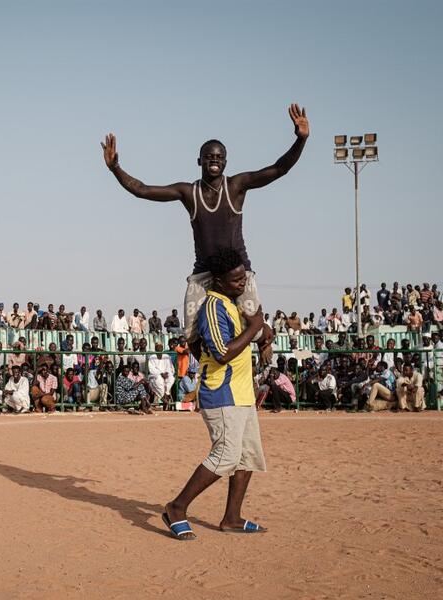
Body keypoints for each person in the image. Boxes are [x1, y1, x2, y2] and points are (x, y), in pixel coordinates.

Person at [103, 108, 308, 364]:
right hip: (204, 272)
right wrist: (116, 168)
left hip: (236, 270)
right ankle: (208, 372)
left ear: (225, 162)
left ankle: (265, 334)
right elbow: (142, 190)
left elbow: (279, 169)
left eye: (219, 157)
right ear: (199, 161)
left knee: (252, 322)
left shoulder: (236, 186)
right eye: (208, 156)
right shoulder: (189, 192)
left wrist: (301, 139)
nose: (214, 160)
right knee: (190, 335)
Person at [162, 248, 267, 540]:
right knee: (225, 456)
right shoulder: (213, 307)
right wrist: (256, 326)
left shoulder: (233, 305)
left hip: (242, 394)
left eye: (243, 278)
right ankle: (176, 507)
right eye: (235, 280)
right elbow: (222, 353)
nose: (241, 284)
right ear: (218, 281)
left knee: (247, 458)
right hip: (221, 393)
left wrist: (260, 329)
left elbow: (250, 336)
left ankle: (231, 517)